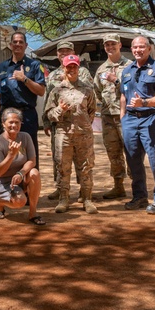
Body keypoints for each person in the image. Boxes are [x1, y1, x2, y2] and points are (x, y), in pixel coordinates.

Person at [120, 35, 155, 214]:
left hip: (150, 119)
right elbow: (123, 95)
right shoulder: (126, 71)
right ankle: (139, 196)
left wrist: (144, 103)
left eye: (142, 47)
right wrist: (123, 118)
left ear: (149, 49)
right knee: (133, 160)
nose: (138, 50)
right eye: (135, 47)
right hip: (130, 120)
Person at [44, 54, 99, 214]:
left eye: (74, 66)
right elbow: (49, 114)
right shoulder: (56, 90)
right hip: (63, 134)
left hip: (84, 135)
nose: (72, 69)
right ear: (64, 68)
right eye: (69, 67)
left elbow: (91, 112)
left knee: (86, 167)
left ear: (78, 68)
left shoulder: (88, 90)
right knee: (62, 167)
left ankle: (87, 199)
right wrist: (60, 109)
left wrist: (82, 126)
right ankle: (63, 199)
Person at [0, 108, 45, 225]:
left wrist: (21, 173)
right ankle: (0, 202)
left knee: (34, 173)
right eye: (10, 122)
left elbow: (32, 161)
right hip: (0, 181)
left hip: (17, 178)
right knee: (20, 202)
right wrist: (11, 155)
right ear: (3, 124)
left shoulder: (25, 137)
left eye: (17, 122)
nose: (14, 125)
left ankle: (33, 213)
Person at [0, 31, 46, 165]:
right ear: (10, 45)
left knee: (29, 153)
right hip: (6, 116)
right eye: (15, 42)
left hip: (27, 116)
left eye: (21, 42)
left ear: (26, 45)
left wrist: (25, 79)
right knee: (6, 151)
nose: (18, 44)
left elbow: (41, 91)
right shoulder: (1, 67)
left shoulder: (35, 65)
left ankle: (30, 184)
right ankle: (8, 184)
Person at [93, 33, 132, 200]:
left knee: (131, 152)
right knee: (113, 152)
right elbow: (97, 92)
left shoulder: (130, 66)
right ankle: (118, 186)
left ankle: (138, 187)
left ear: (120, 44)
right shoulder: (101, 69)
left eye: (113, 44)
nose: (110, 47)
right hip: (108, 117)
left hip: (128, 116)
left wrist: (117, 81)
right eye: (107, 45)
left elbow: (134, 88)